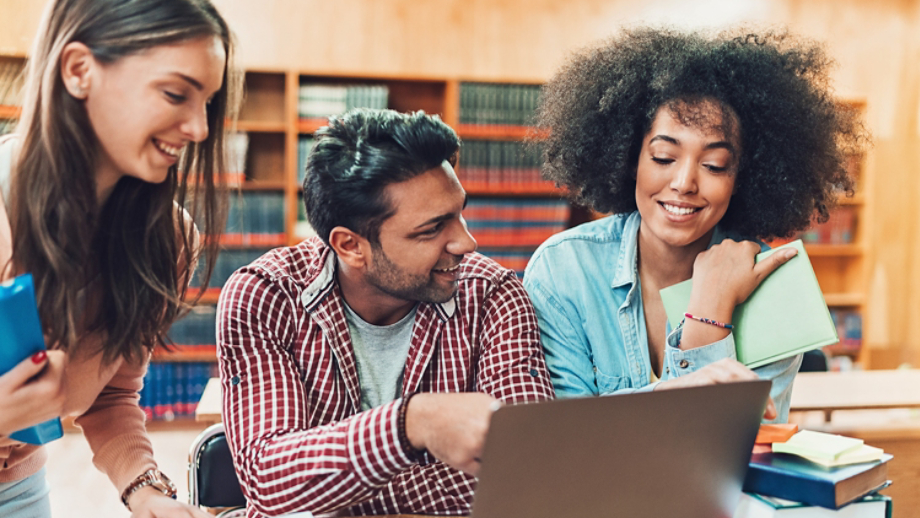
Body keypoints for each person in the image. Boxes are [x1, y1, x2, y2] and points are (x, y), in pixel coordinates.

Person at [217, 108, 554, 517]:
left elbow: (526, 472)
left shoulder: (494, 294)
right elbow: (269, 480)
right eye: (432, 229)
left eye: (459, 213)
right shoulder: (265, 296)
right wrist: (415, 424)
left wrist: (330, 490)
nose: (467, 243)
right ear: (350, 246)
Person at [523, 28, 867, 423]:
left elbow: (732, 457)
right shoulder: (564, 271)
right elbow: (563, 438)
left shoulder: (774, 288)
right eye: (664, 157)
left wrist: (707, 320)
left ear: (742, 177)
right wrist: (705, 325)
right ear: (629, 159)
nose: (684, 183)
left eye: (714, 165)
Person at [0, 0, 240, 516]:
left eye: (209, 102)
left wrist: (145, 490)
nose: (199, 128)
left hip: (17, 489)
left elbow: (111, 395)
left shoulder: (169, 240)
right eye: (176, 94)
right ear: (79, 71)